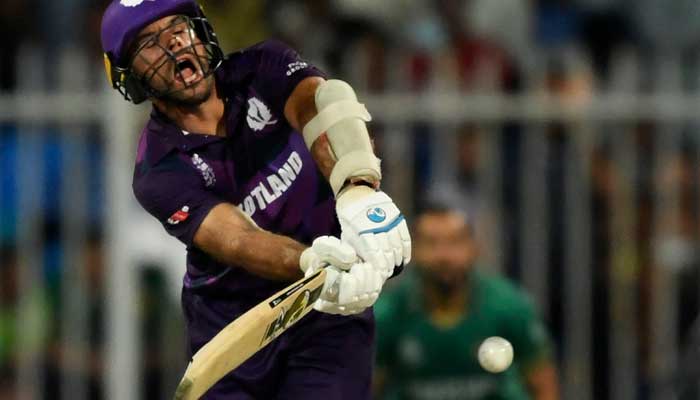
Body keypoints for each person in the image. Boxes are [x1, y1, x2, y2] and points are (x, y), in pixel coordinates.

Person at [100, 0, 411, 398]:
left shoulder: (264, 66)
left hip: (328, 317)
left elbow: (323, 104)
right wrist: (311, 264)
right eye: (148, 43)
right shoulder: (157, 171)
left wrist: (359, 188)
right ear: (130, 75)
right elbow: (237, 239)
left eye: (179, 26)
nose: (173, 44)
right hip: (236, 331)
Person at [374, 205, 558, 400]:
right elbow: (367, 388)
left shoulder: (510, 306)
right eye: (431, 243)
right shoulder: (388, 314)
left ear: (474, 248)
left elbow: (544, 387)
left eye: (455, 242)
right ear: (412, 250)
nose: (444, 255)